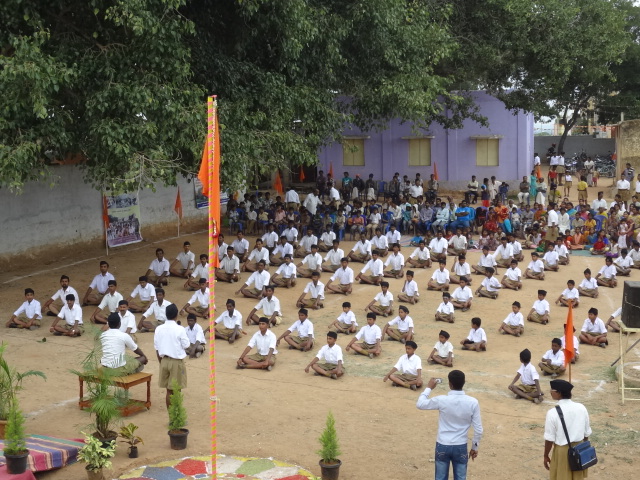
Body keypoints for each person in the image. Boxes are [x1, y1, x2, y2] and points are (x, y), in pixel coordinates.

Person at [416, 370, 483, 480]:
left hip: (443, 443)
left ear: (450, 384)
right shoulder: (473, 402)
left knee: (440, 477)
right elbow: (479, 430)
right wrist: (474, 448)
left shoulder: (442, 400)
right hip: (460, 445)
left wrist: (428, 388)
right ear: (464, 382)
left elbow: (420, 404)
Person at [543, 379, 592, 478]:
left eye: (552, 389)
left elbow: (549, 438)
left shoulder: (553, 413)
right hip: (579, 448)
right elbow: (586, 433)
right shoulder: (581, 407)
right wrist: (583, 448)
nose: (550, 392)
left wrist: (546, 455)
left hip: (562, 451)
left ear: (559, 393)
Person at [154, 304, 190, 408]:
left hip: (164, 360)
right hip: (176, 362)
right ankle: (176, 416)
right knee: (177, 390)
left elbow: (157, 348)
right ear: (176, 316)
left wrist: (161, 363)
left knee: (168, 391)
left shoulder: (159, 329)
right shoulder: (180, 329)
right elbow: (186, 345)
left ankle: (171, 416)